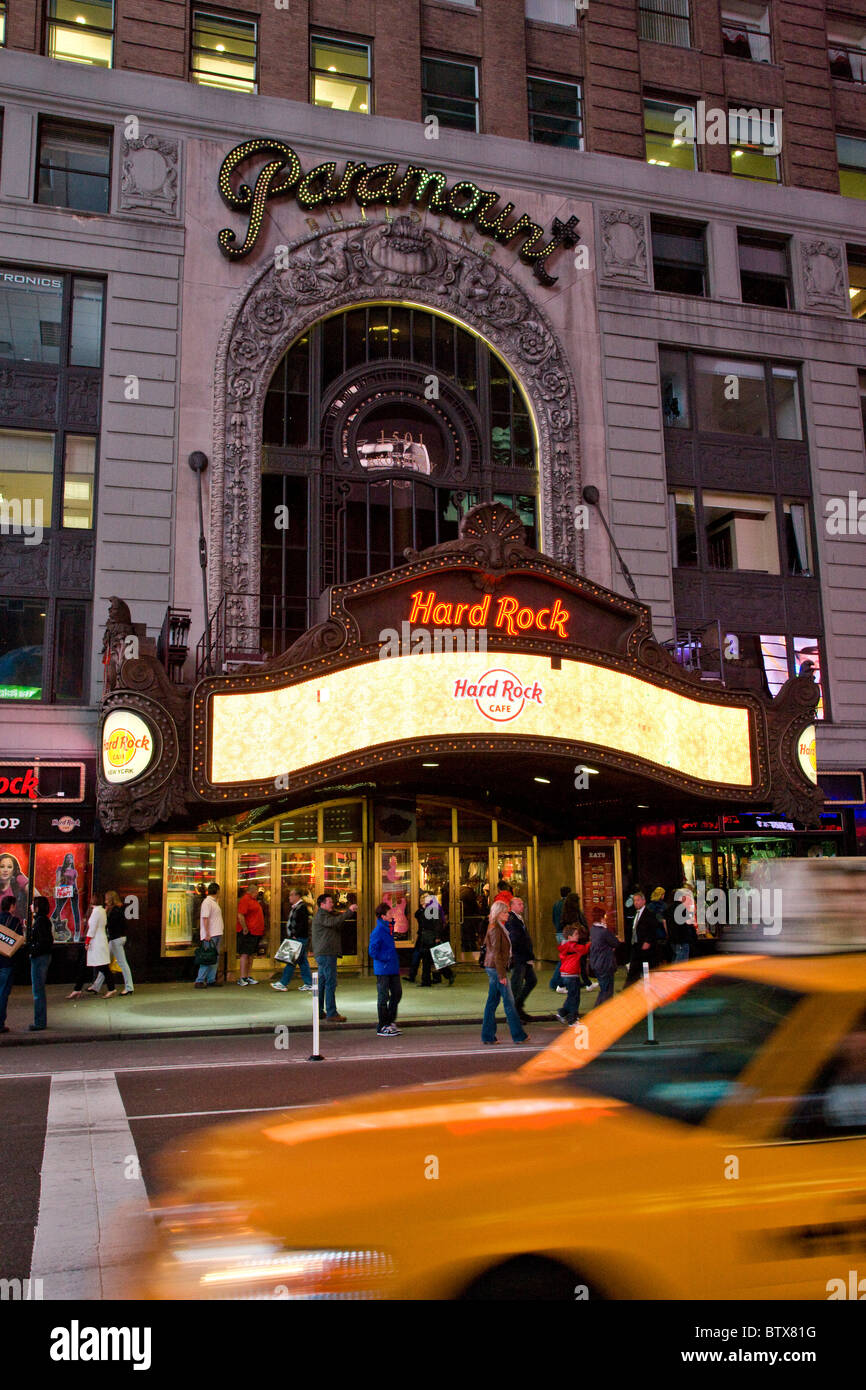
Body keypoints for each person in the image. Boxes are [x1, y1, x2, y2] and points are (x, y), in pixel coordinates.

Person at [480, 901, 529, 1046]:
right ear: (498, 913)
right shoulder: (495, 929)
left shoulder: (498, 927)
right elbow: (496, 953)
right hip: (496, 968)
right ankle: (518, 1035)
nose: (507, 915)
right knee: (509, 1002)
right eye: (505, 912)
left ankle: (488, 1035)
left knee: (492, 1002)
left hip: (494, 967)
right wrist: (502, 975)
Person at [311, 892, 357, 1022]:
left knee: (323, 982)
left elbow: (335, 922)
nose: (332, 904)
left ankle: (319, 1010)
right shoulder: (322, 915)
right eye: (330, 902)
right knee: (330, 982)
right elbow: (333, 922)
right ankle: (331, 1012)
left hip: (324, 953)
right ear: (322, 904)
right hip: (327, 953)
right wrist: (349, 912)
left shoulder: (324, 915)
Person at [369, 902, 402, 1036]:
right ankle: (383, 1025)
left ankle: (389, 1021)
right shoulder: (378, 931)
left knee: (397, 993)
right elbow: (372, 951)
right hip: (383, 968)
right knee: (383, 996)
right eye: (389, 913)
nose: (391, 915)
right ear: (383, 916)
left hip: (392, 967)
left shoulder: (388, 928)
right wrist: (386, 956)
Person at [93, 890, 134, 996]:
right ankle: (96, 986)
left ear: (110, 899)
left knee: (121, 963)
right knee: (105, 962)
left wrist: (105, 914)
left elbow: (110, 924)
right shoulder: (118, 908)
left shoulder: (115, 910)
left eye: (106, 898)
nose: (105, 900)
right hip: (117, 938)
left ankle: (129, 987)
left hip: (116, 939)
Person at [271, 888, 313, 991]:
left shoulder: (301, 908)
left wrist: (295, 934)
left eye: (291, 895)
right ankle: (309, 983)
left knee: (291, 960)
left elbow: (303, 924)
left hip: (299, 938)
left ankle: (283, 983)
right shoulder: (298, 907)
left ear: (297, 896)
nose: (289, 897)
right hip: (298, 937)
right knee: (302, 961)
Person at [506, 897, 536, 1023]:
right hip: (519, 957)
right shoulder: (512, 920)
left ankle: (518, 1007)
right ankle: (513, 1013)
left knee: (531, 980)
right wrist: (528, 955)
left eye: (522, 904)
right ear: (511, 906)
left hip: (523, 957)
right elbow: (516, 940)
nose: (522, 906)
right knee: (516, 985)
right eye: (519, 904)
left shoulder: (518, 918)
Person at [28, 895, 54, 1032]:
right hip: (42, 956)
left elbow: (43, 942)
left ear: (37, 907)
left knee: (38, 990)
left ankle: (39, 1022)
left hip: (40, 958)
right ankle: (40, 1021)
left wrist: (32, 950)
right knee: (38, 989)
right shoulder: (42, 921)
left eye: (33, 904)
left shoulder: (40, 922)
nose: (31, 906)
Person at [0, 892, 24, 1033]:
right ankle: (0, 1023)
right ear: (12, 906)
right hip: (6, 962)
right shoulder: (14, 922)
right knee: (3, 993)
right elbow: (18, 940)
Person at [556, 924, 587, 1025]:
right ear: (569, 937)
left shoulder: (565, 946)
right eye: (576, 934)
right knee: (575, 998)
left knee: (571, 995)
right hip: (572, 974)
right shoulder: (573, 946)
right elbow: (583, 949)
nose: (578, 936)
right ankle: (572, 1019)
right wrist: (592, 943)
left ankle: (562, 1012)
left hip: (565, 974)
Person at [625, 890, 659, 984]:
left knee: (645, 967)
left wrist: (648, 941)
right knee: (634, 969)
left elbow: (653, 928)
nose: (636, 902)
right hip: (636, 945)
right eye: (635, 900)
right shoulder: (636, 913)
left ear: (644, 901)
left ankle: (647, 985)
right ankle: (629, 988)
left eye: (638, 900)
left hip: (645, 946)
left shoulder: (649, 914)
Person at [194, 882, 224, 988]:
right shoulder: (207, 902)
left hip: (216, 933)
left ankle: (211, 979)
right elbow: (205, 918)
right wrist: (207, 933)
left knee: (213, 957)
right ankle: (200, 980)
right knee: (207, 957)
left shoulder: (213, 902)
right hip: (211, 935)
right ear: (217, 891)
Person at [589, 904, 620, 1006]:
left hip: (596, 963)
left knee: (603, 988)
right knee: (607, 990)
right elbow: (615, 942)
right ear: (602, 918)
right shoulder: (604, 931)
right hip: (605, 963)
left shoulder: (593, 929)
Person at [236, 885, 265, 985]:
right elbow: (240, 914)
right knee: (245, 953)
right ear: (253, 891)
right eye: (257, 891)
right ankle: (242, 977)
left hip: (255, 932)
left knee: (251, 954)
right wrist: (244, 927)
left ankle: (248, 975)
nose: (258, 893)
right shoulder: (245, 900)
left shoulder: (254, 900)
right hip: (248, 931)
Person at [50, 852, 81, 943]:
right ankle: (50, 927)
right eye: (68, 857)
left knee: (75, 910)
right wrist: (57, 891)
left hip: (73, 889)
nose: (69, 859)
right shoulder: (61, 868)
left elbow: (74, 882)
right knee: (58, 909)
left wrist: (76, 889)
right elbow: (58, 880)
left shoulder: (74, 871)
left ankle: (77, 932)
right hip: (64, 889)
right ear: (65, 859)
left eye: (71, 857)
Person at [409, 894, 438, 986]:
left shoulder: (433, 909)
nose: (421, 900)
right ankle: (418, 977)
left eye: (424, 899)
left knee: (431, 957)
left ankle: (445, 974)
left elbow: (435, 924)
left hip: (429, 937)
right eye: (421, 899)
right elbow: (416, 915)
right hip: (422, 936)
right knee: (423, 956)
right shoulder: (422, 910)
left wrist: (437, 936)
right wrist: (423, 907)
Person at [85, 896, 111, 996]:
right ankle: (108, 988)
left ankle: (111, 988)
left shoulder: (96, 912)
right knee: (103, 966)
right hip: (101, 940)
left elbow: (92, 928)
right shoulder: (102, 911)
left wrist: (87, 941)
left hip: (96, 942)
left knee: (102, 966)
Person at [0, 852, 29, 922]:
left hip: (16, 929)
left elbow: (37, 897)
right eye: (2, 866)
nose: (5, 870)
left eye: (9, 867)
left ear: (13, 870)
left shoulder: (19, 879)